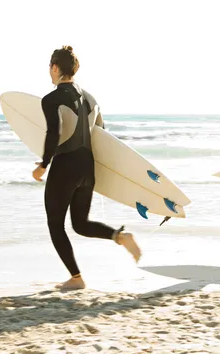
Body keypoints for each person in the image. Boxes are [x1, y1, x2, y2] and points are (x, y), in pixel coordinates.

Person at [32, 45, 141, 290]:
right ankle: (119, 237)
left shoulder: (51, 99)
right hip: (87, 167)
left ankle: (76, 278)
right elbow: (102, 135)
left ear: (55, 67)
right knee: (80, 223)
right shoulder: (92, 99)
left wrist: (44, 163)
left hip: (65, 166)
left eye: (50, 68)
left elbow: (54, 132)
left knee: (55, 224)